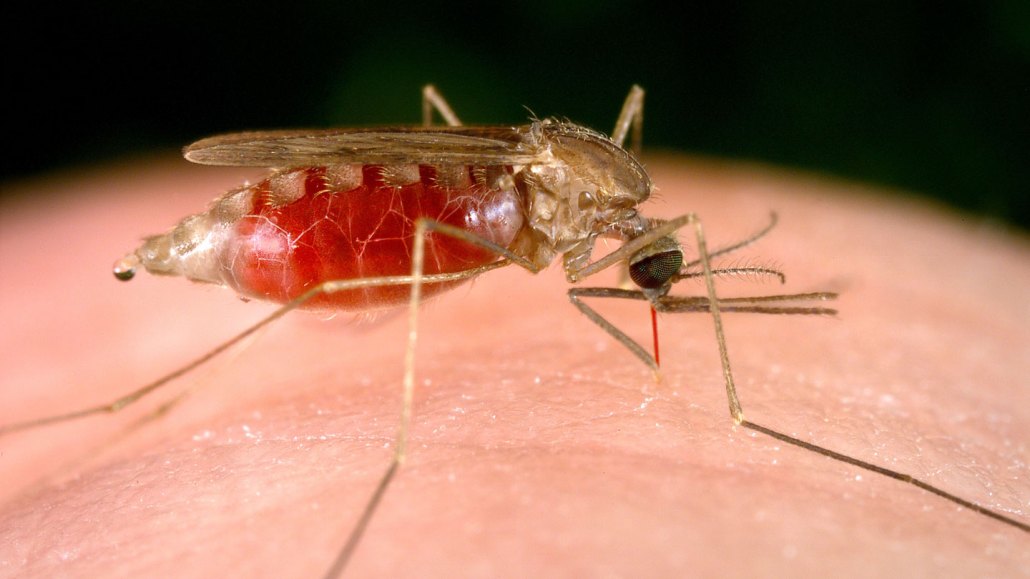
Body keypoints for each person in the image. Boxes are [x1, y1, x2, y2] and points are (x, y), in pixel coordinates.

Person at [0, 154, 1026, 577]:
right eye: (656, 268)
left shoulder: (614, 208)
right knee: (350, 271)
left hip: (491, 203)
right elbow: (578, 250)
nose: (649, 276)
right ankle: (142, 399)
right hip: (408, 219)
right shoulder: (588, 218)